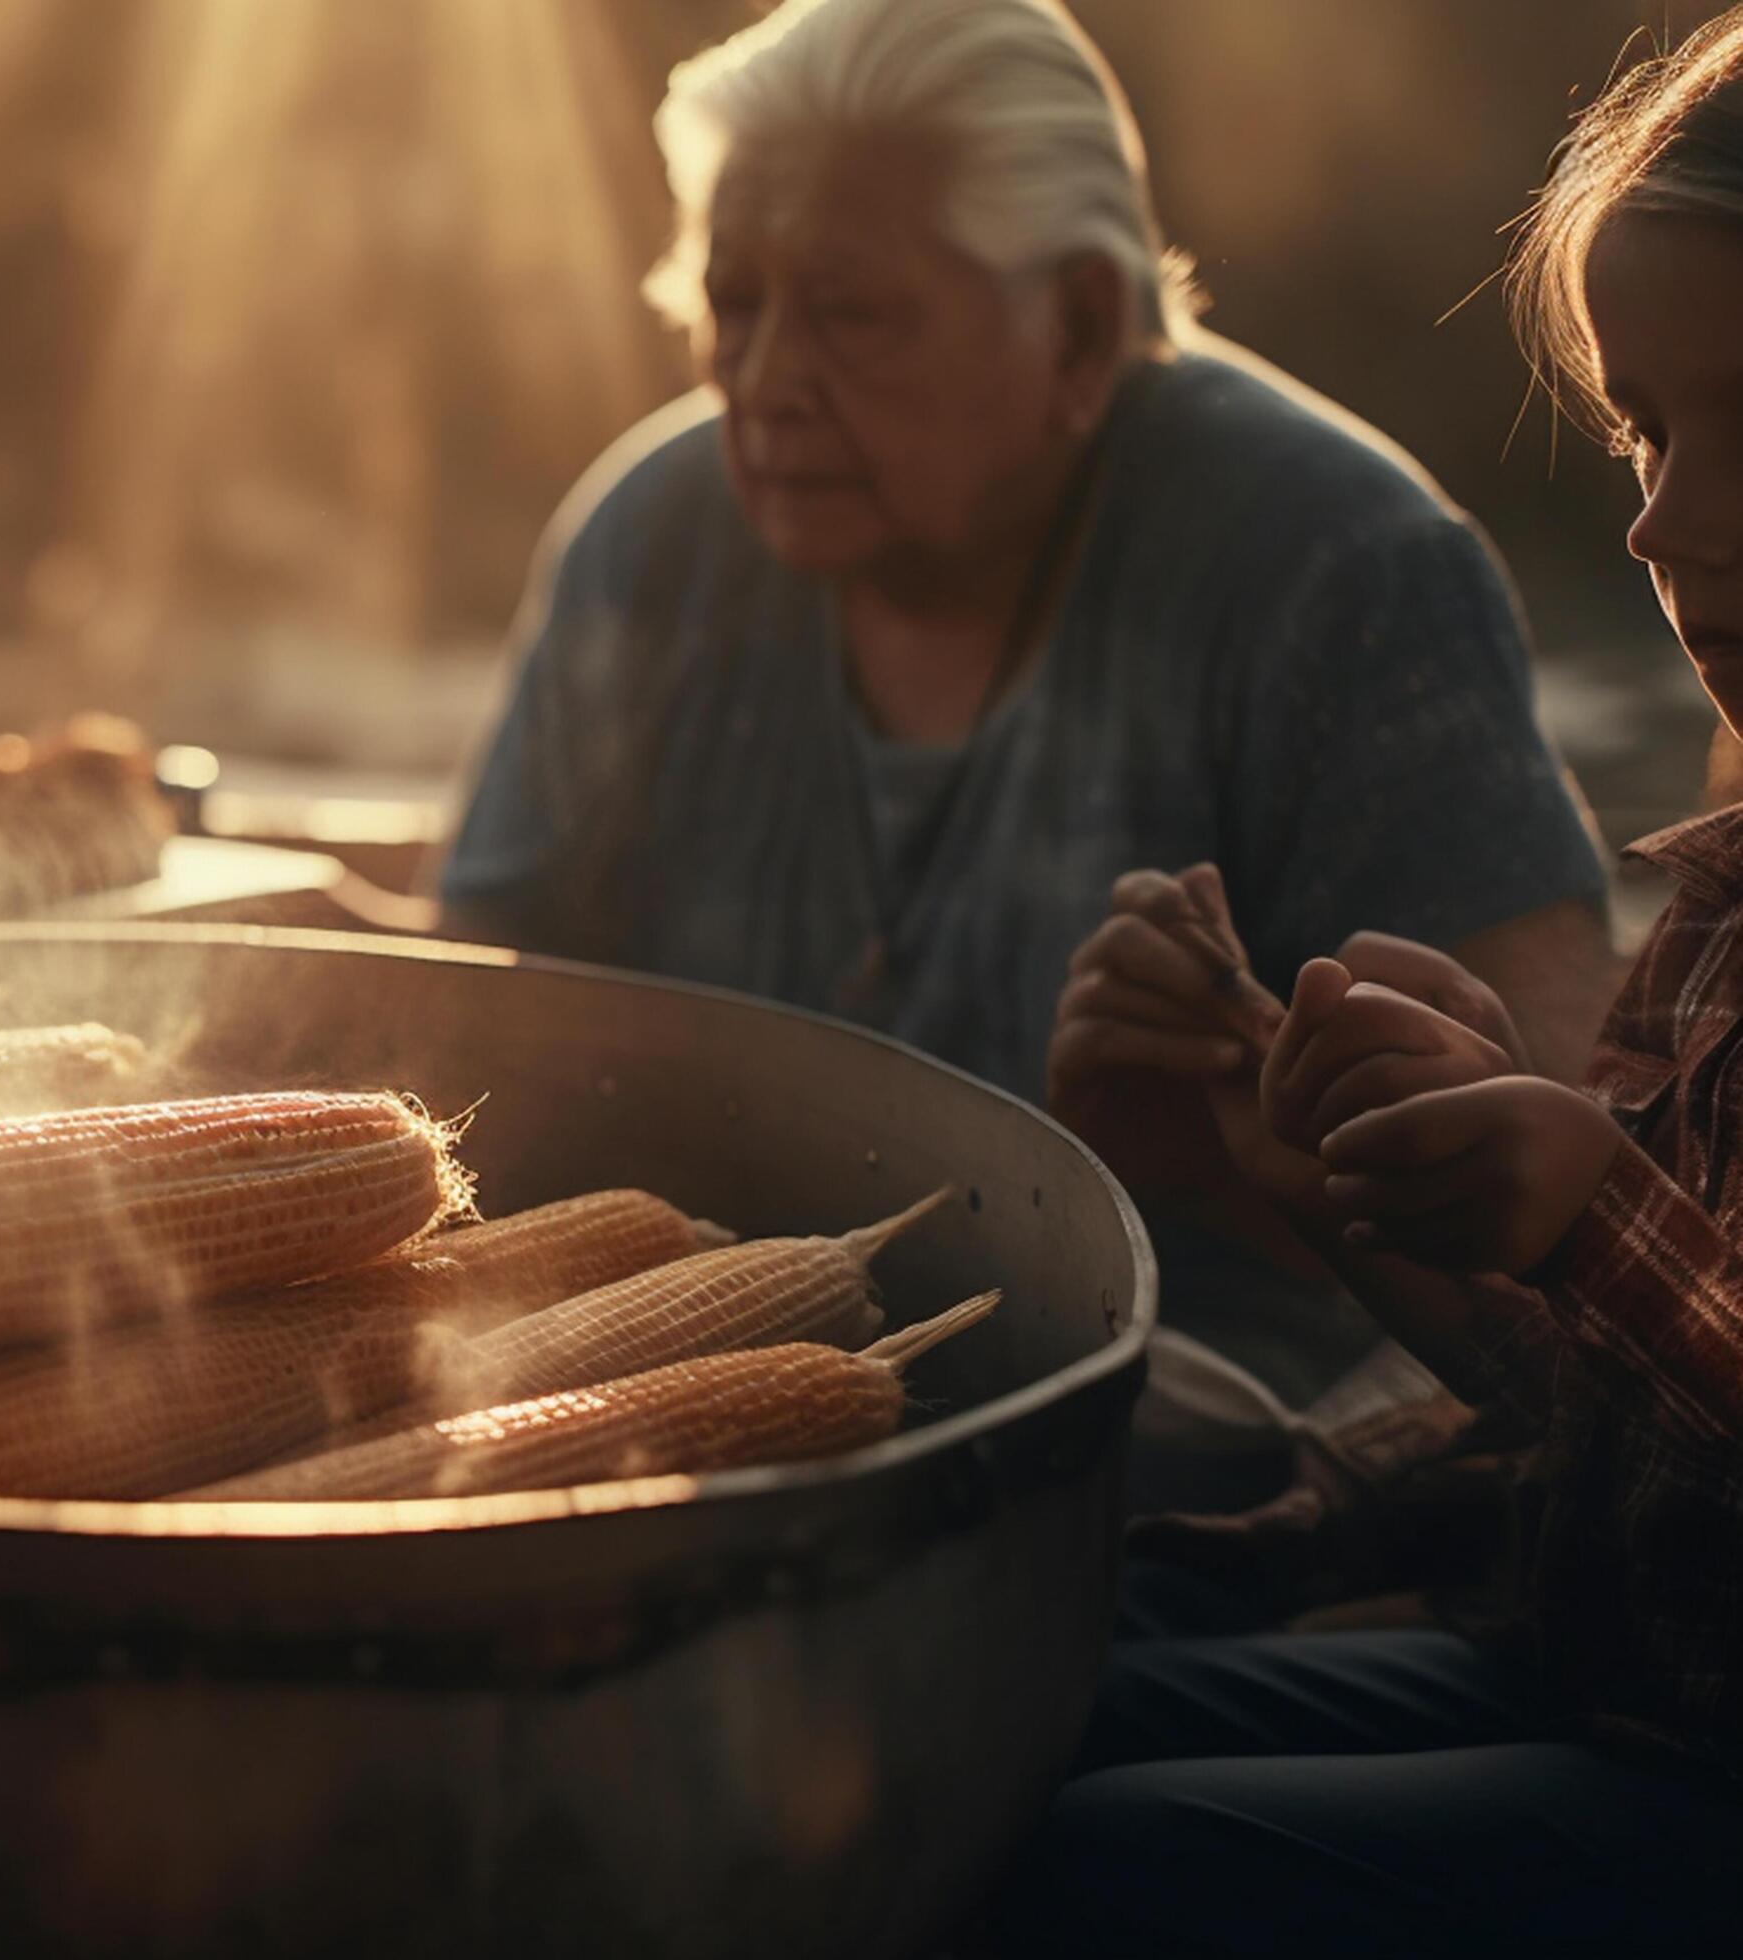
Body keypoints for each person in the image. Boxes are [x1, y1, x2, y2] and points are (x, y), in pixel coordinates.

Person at [435, 0, 1618, 1414]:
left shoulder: (1339, 568)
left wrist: (1260, 1148)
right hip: (676, 1389)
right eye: (729, 302)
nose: (760, 383)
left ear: (1076, 325)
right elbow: (484, 1017)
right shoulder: (650, 538)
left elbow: (1558, 1191)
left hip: (1188, 1428)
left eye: (850, 313)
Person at [1001, 16, 1743, 1953]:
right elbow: (1626, 1433)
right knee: (999, 1718)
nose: (1660, 526)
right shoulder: (1728, 891)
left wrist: (1594, 1213)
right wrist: (1307, 1181)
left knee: (1119, 1860)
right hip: (1618, 1681)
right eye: (1641, 430)